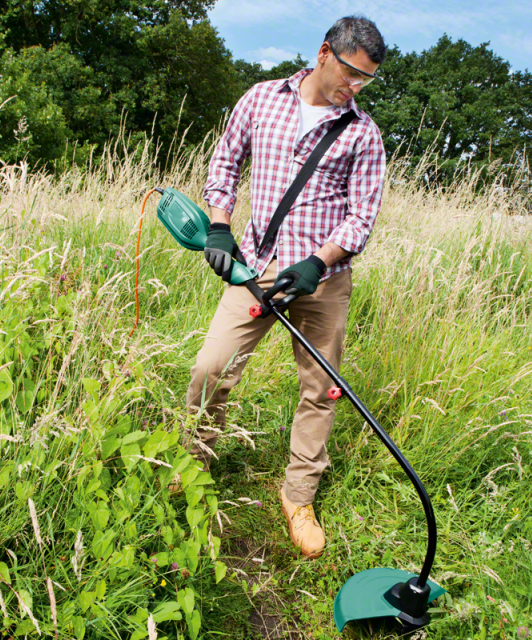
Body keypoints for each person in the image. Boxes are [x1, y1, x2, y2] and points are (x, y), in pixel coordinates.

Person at [184, 15, 387, 559]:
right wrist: (221, 226)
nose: (355, 86)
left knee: (320, 391)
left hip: (321, 279)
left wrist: (318, 264)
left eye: (366, 80)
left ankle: (298, 497)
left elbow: (360, 219)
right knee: (211, 368)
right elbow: (224, 165)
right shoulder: (260, 99)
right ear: (324, 53)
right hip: (255, 266)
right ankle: (192, 467)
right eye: (350, 72)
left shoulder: (364, 134)